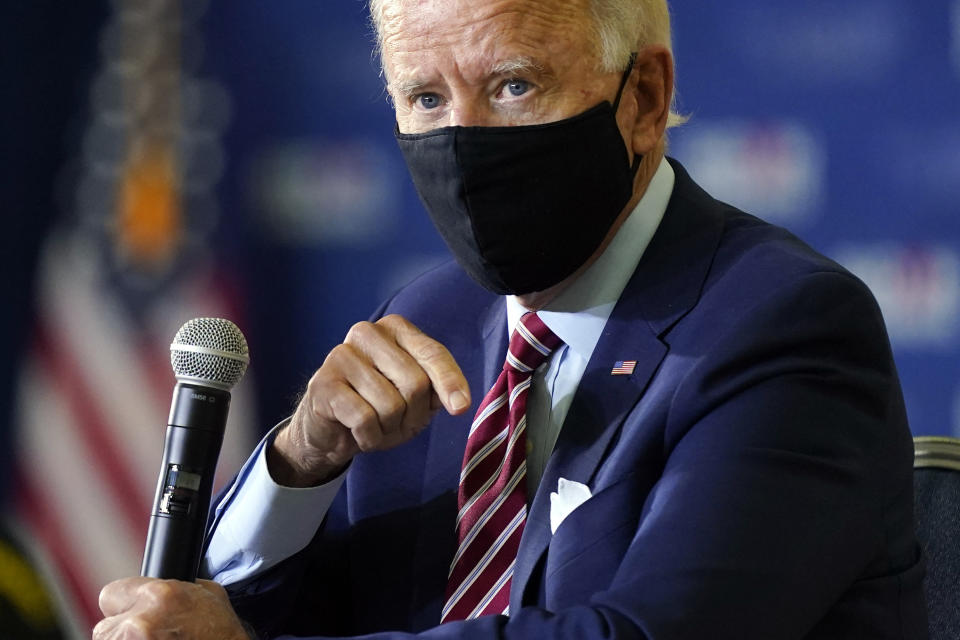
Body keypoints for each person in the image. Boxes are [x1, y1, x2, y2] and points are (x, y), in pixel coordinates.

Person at [94, 0, 929, 638]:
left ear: (642, 98)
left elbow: (643, 633)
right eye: (424, 97)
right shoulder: (430, 318)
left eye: (513, 86)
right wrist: (300, 462)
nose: (463, 144)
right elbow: (274, 611)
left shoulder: (782, 326)